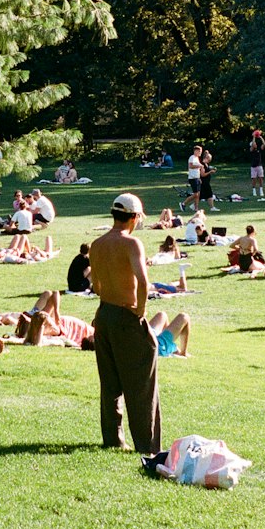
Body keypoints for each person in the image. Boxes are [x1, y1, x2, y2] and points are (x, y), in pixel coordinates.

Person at [89, 191, 161, 454]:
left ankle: (113, 438)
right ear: (133, 217)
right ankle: (147, 444)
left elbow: (95, 285)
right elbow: (143, 282)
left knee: (109, 383)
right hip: (126, 315)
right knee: (141, 382)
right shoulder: (132, 244)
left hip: (103, 315)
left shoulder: (97, 244)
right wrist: (140, 311)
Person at [182, 146, 203, 210]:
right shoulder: (192, 157)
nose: (200, 153)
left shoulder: (197, 158)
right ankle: (183, 203)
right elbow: (191, 166)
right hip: (192, 178)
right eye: (199, 151)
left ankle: (196, 208)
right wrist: (199, 165)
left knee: (198, 194)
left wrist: (199, 178)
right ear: (195, 151)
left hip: (197, 177)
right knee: (196, 194)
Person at [249, 129, 265, 198]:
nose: (255, 144)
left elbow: (264, 144)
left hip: (259, 165)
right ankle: (254, 191)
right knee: (254, 179)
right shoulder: (251, 150)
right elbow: (253, 144)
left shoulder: (259, 149)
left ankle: (261, 190)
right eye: (254, 144)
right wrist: (254, 137)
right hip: (253, 166)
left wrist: (260, 137)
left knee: (261, 178)